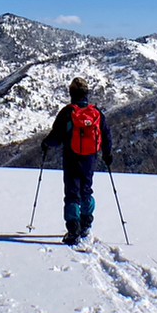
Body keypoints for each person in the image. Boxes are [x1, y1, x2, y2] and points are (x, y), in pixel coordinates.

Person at [41, 77, 113, 245]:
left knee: (72, 192)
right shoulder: (96, 113)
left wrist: (45, 144)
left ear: (71, 93)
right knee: (86, 189)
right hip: (90, 158)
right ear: (87, 93)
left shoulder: (67, 113)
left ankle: (73, 230)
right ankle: (86, 225)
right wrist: (107, 154)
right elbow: (106, 135)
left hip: (72, 157)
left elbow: (56, 137)